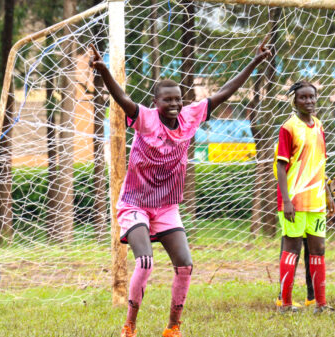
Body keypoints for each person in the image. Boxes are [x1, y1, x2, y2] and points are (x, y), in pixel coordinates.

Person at [89, 38, 271, 337]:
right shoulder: (145, 119)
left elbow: (224, 92)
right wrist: (103, 70)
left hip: (166, 207)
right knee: (145, 261)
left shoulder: (189, 118)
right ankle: (130, 324)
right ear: (155, 102)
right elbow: (120, 95)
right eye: (167, 100)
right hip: (135, 203)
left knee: (185, 265)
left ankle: (173, 326)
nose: (174, 104)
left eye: (178, 99)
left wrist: (254, 61)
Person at [275, 81, 335, 314]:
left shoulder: (319, 125)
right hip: (295, 199)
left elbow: (319, 165)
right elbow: (281, 167)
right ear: (294, 100)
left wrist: (328, 195)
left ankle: (321, 305)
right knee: (292, 248)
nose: (308, 101)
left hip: (316, 199)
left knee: (319, 248)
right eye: (303, 97)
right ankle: (285, 304)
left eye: (312, 97)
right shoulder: (288, 127)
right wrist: (286, 201)